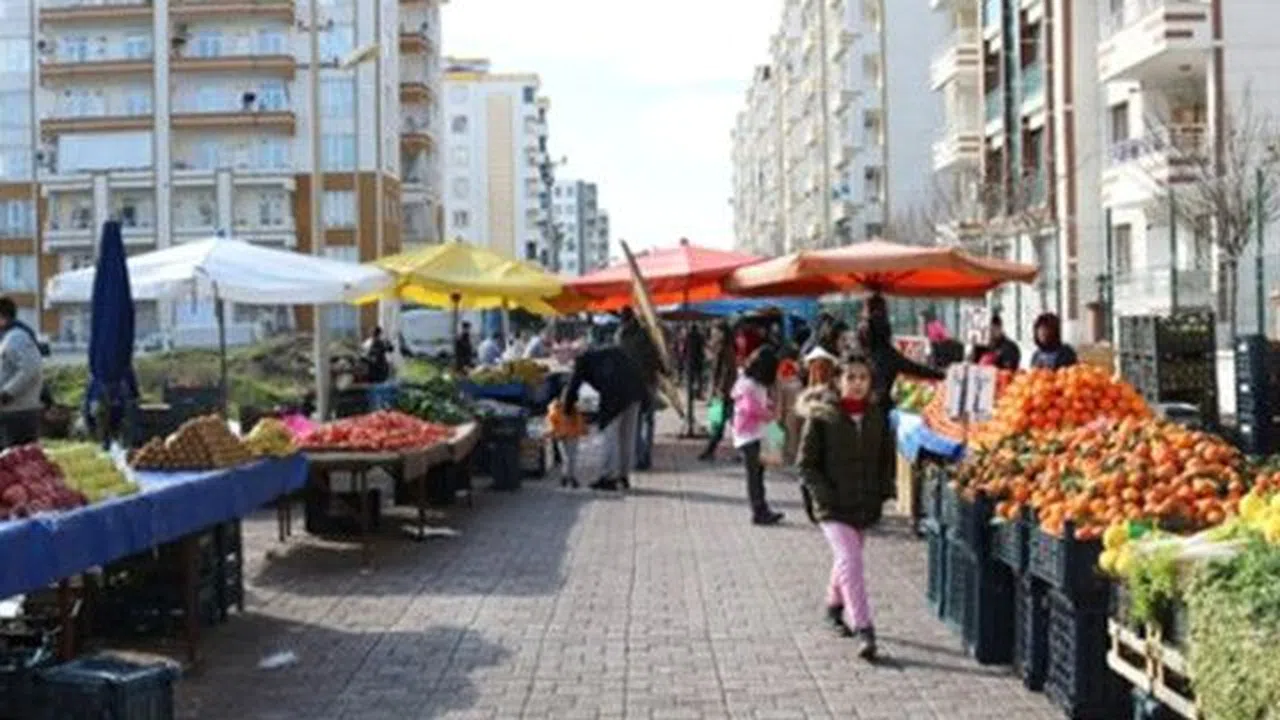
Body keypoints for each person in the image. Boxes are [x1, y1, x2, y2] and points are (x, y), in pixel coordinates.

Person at [797, 354, 894, 660]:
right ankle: (864, 628)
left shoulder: (876, 416)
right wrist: (824, 496)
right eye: (850, 377)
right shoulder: (823, 415)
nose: (857, 383)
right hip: (832, 506)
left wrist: (883, 492)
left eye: (863, 377)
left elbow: (885, 459)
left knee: (846, 561)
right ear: (838, 381)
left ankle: (833, 606)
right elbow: (806, 464)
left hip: (863, 503)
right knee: (852, 560)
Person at [562, 345, 648, 491]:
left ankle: (609, 477)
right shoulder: (607, 353)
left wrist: (567, 410)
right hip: (636, 393)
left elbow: (573, 386)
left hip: (614, 396)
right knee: (627, 437)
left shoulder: (582, 361)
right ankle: (624, 476)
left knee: (610, 436)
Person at [732, 346, 784, 526]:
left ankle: (762, 509)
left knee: (758, 474)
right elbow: (749, 408)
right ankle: (759, 511)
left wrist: (768, 405)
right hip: (748, 435)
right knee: (755, 476)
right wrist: (768, 414)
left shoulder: (753, 383)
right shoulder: (748, 384)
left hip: (755, 433)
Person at [615, 307, 661, 471]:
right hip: (648, 382)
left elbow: (619, 361)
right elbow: (656, 357)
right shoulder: (645, 333)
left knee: (636, 421)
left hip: (632, 384)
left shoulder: (620, 336)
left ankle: (639, 456)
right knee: (647, 420)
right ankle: (644, 456)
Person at [0, 297, 44, 448]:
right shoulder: (7, 338)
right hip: (11, 411)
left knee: (17, 457)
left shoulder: (17, 337)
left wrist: (7, 393)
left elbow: (31, 368)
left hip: (18, 412)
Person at [699, 320, 738, 461]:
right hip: (723, 391)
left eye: (715, 331)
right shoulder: (722, 348)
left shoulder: (724, 349)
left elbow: (726, 372)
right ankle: (711, 450)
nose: (713, 333)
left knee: (719, 422)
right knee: (721, 422)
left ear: (722, 333)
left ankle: (711, 450)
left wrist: (719, 390)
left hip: (722, 392)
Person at [684, 323, 706, 399]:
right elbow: (703, 347)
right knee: (699, 378)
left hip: (690, 360)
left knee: (691, 379)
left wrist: (684, 357)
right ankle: (699, 394)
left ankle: (691, 395)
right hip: (698, 360)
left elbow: (685, 348)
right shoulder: (700, 336)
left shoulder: (688, 336)